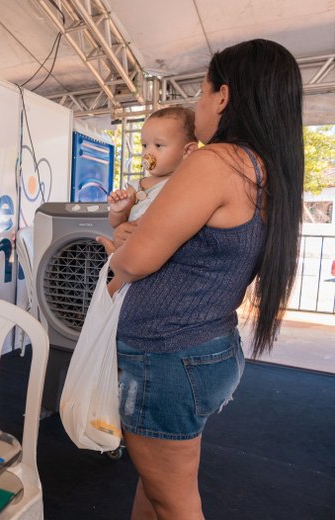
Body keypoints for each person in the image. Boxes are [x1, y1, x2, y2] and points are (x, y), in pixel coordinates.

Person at [97, 39, 304, 519]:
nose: (199, 104)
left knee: (174, 499)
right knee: (156, 486)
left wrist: (117, 254)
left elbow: (138, 259)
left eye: (202, 92)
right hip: (205, 346)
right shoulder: (265, 169)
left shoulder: (216, 161)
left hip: (166, 354)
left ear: (224, 97)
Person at [105, 106, 198, 293]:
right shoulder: (135, 185)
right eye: (144, 145)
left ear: (187, 151)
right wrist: (118, 210)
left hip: (156, 266)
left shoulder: (182, 186)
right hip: (127, 258)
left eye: (158, 145)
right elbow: (116, 224)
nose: (148, 153)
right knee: (112, 296)